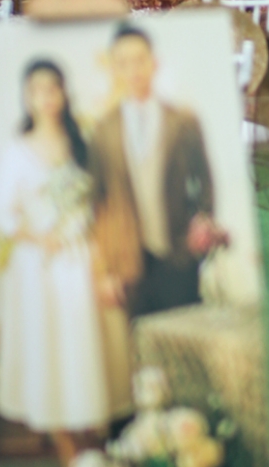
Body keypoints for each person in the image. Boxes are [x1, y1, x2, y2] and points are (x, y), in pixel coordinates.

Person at [0, 59, 111, 465]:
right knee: (48, 350)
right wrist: (41, 237)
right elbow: (4, 214)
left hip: (79, 259)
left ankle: (92, 442)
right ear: (27, 97)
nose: (45, 98)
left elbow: (98, 202)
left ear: (63, 93)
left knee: (80, 349)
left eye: (53, 89)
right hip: (38, 265)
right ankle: (66, 450)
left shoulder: (81, 144)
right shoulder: (17, 150)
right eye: (37, 91)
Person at [89, 24, 218, 319]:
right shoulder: (103, 130)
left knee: (185, 332)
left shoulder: (183, 121)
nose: (133, 70)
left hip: (178, 255)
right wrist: (105, 268)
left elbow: (206, 181)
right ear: (114, 69)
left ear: (154, 63)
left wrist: (202, 224)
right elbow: (98, 200)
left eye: (140, 60)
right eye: (123, 63)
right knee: (142, 338)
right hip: (129, 262)